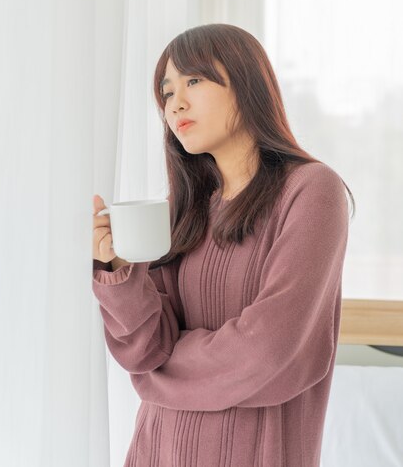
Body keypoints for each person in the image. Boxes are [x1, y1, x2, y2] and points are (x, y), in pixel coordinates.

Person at [92, 23, 355, 467]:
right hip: (156, 450)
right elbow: (144, 351)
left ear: (246, 82)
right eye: (166, 90)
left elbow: (269, 350)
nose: (176, 102)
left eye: (194, 80)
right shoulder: (184, 208)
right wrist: (118, 270)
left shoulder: (312, 191)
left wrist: (163, 370)